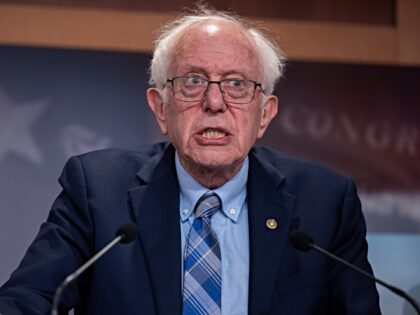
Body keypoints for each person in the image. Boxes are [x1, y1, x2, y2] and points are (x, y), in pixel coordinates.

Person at [0, 7, 381, 315]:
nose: (214, 103)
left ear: (264, 115)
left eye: (237, 84)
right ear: (160, 109)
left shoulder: (325, 202)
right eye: (193, 81)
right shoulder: (98, 189)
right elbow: (25, 300)